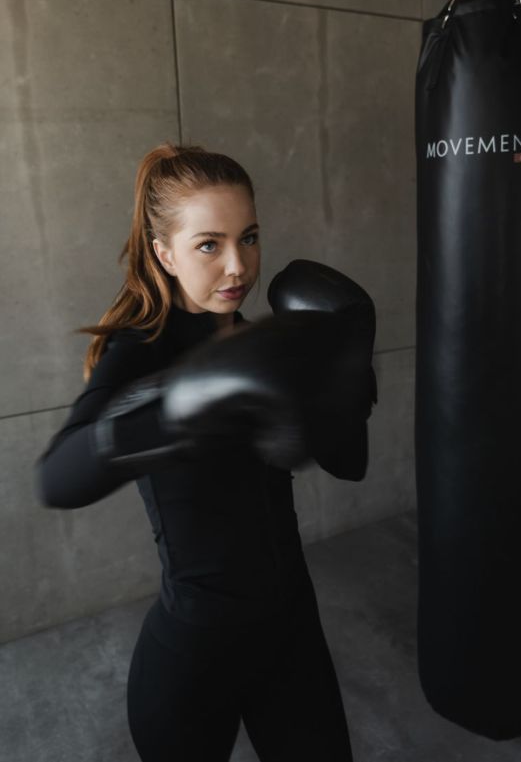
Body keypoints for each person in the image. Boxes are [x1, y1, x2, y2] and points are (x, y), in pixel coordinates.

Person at [34, 142, 372, 762]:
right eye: (209, 244)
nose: (238, 266)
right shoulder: (142, 352)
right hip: (194, 657)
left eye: (249, 237)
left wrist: (348, 371)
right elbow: (57, 479)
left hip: (292, 632)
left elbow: (349, 465)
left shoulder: (267, 343)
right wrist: (184, 399)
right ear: (164, 253)